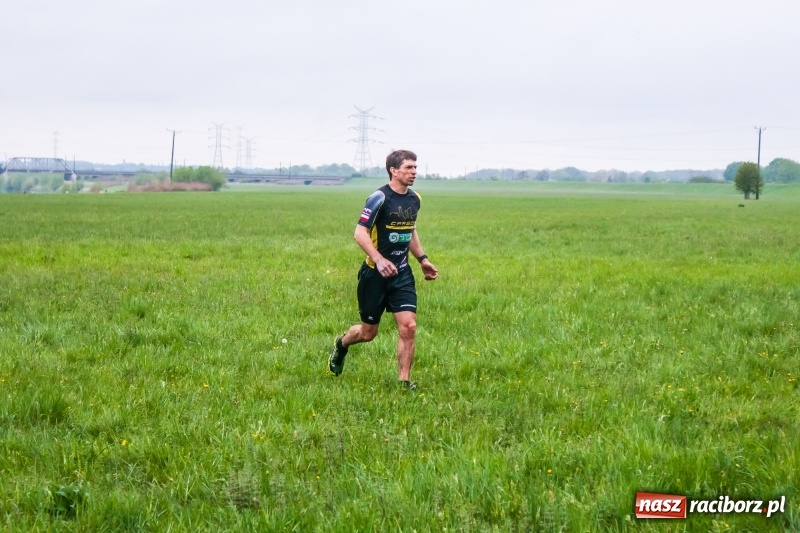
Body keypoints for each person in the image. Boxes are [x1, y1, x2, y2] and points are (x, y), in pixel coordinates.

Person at [328, 149, 439, 389]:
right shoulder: (378, 198)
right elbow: (359, 232)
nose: (414, 172)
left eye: (415, 168)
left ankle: (404, 382)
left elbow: (410, 230)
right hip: (374, 274)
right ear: (394, 170)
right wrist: (378, 259)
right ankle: (342, 344)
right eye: (409, 168)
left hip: (401, 273)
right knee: (368, 333)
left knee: (408, 326)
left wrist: (423, 259)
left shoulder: (414, 199)